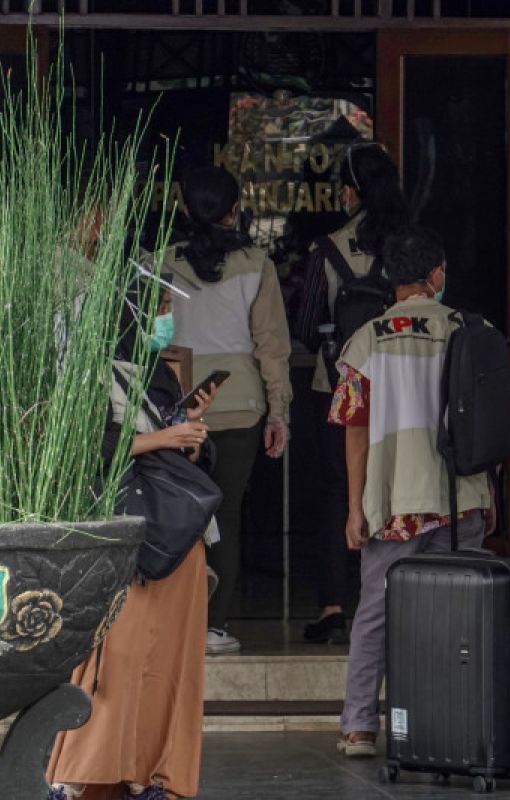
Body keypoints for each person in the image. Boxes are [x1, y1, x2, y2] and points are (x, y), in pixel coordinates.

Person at [330, 226, 493, 758]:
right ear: (437, 273)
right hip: (458, 496)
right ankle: (461, 721)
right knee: (463, 614)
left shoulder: (367, 339)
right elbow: (496, 419)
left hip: (393, 500)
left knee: (375, 610)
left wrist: (355, 506)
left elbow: (355, 429)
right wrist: (490, 493)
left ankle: (359, 725)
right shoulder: (473, 328)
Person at [48, 279, 215, 800]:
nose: (167, 319)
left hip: (176, 534)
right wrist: (164, 437)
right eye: (160, 308)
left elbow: (176, 458)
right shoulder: (88, 368)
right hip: (125, 535)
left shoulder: (158, 372)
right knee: (115, 660)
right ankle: (81, 772)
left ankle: (156, 774)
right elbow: (83, 445)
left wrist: (187, 430)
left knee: (170, 662)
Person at [165, 165, 292, 656]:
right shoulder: (257, 263)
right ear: (234, 210)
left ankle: (176, 619)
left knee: (177, 513)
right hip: (239, 404)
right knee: (228, 516)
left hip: (176, 405)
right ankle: (214, 626)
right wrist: (278, 412)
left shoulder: (156, 262)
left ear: (182, 207)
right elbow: (272, 347)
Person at [294, 142, 410, 644]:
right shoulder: (411, 245)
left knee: (338, 490)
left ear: (349, 193)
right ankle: (392, 597)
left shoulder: (329, 248)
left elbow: (304, 324)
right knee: (398, 486)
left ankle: (334, 602)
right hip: (406, 388)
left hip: (338, 384)